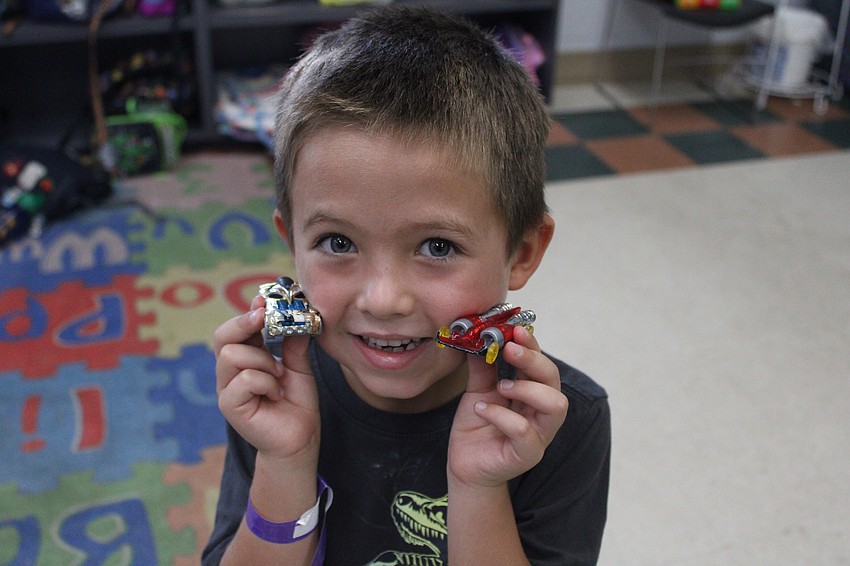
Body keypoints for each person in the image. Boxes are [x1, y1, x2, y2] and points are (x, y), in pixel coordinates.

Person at [203, 6, 610, 565]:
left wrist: (479, 488)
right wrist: (285, 462)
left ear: (522, 252)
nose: (383, 300)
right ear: (290, 240)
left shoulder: (562, 419)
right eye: (338, 243)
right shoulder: (271, 391)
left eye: (437, 247)